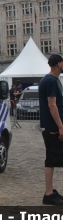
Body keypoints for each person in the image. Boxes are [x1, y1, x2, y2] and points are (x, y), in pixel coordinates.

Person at [39, 53, 63, 205]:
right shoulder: (50, 81)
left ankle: (50, 191)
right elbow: (52, 105)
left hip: (52, 126)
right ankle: (48, 193)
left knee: (52, 159)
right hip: (53, 127)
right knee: (51, 159)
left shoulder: (52, 80)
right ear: (59, 64)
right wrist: (61, 126)